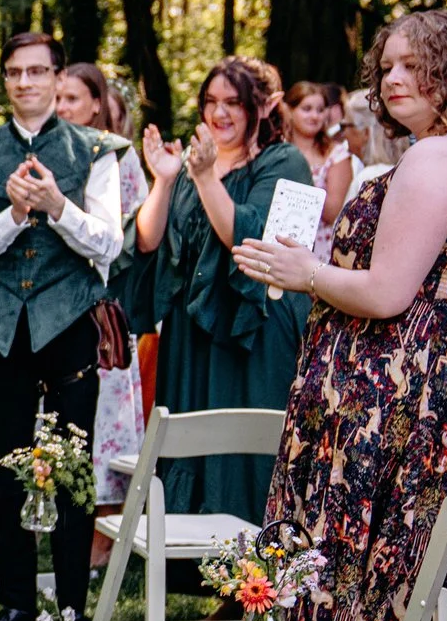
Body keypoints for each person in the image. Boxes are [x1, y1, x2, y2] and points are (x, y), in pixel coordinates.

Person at [228, 11, 447, 621]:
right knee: (406, 560)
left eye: (412, 64)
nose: (392, 78)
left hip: (390, 393)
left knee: (366, 557)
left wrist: (304, 271)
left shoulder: (435, 160)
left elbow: (387, 293)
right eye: (385, 65)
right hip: (439, 382)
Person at [0, 33, 122, 621]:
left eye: (37, 71)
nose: (25, 82)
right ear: (5, 80)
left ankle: (72, 603)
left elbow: (111, 242)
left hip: (69, 321)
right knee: (8, 463)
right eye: (15, 72)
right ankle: (18, 602)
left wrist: (55, 206)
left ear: (56, 76)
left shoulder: (96, 150)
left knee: (73, 466)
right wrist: (14, 215)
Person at [129, 60, 312, 519]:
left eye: (233, 102)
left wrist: (208, 177)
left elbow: (247, 241)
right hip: (194, 333)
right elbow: (150, 240)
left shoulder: (284, 161)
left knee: (249, 448)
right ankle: (197, 559)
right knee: (195, 439)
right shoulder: (194, 166)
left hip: (253, 329)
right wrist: (166, 179)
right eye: (211, 101)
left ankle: (258, 570)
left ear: (260, 107)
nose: (219, 112)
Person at [54, 61, 145, 530]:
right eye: (58, 97)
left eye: (72, 98)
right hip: (47, 308)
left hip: (97, 306)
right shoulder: (40, 151)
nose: (62, 106)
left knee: (104, 421)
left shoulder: (117, 156)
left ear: (96, 105)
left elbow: (130, 233)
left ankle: (105, 527)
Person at [280, 81, 353, 265]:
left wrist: (300, 170)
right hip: (279, 241)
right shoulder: (277, 150)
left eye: (320, 110)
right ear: (290, 110)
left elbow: (332, 212)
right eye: (307, 109)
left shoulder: (336, 155)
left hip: (320, 248)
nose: (314, 116)